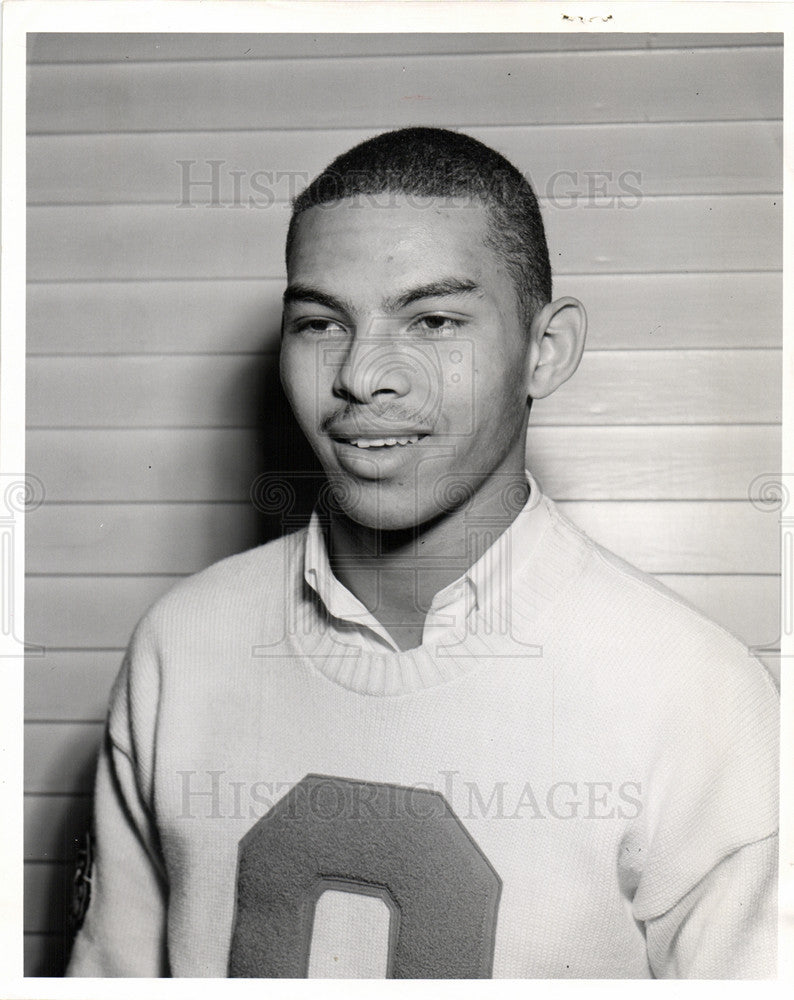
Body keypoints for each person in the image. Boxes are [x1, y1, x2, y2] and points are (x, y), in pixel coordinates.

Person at [66, 127, 778, 979]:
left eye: (434, 320)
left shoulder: (698, 693)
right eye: (321, 322)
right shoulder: (179, 647)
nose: (365, 374)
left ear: (544, 352)